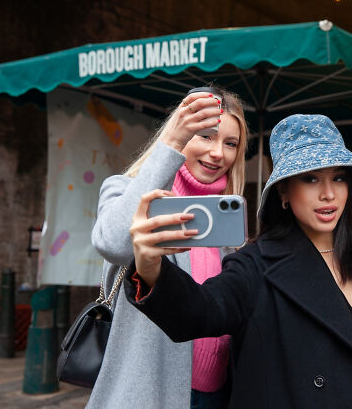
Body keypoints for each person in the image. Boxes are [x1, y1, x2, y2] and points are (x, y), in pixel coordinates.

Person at [123, 114, 352, 409]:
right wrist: (151, 268)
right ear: (283, 193)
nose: (328, 194)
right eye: (310, 179)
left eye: (337, 178)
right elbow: (203, 310)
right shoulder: (257, 265)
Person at [88, 86, 248, 408]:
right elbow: (113, 244)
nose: (218, 152)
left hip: (217, 395)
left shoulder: (226, 217)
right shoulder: (127, 191)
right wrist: (171, 143)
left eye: (230, 143)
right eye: (205, 136)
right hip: (149, 391)